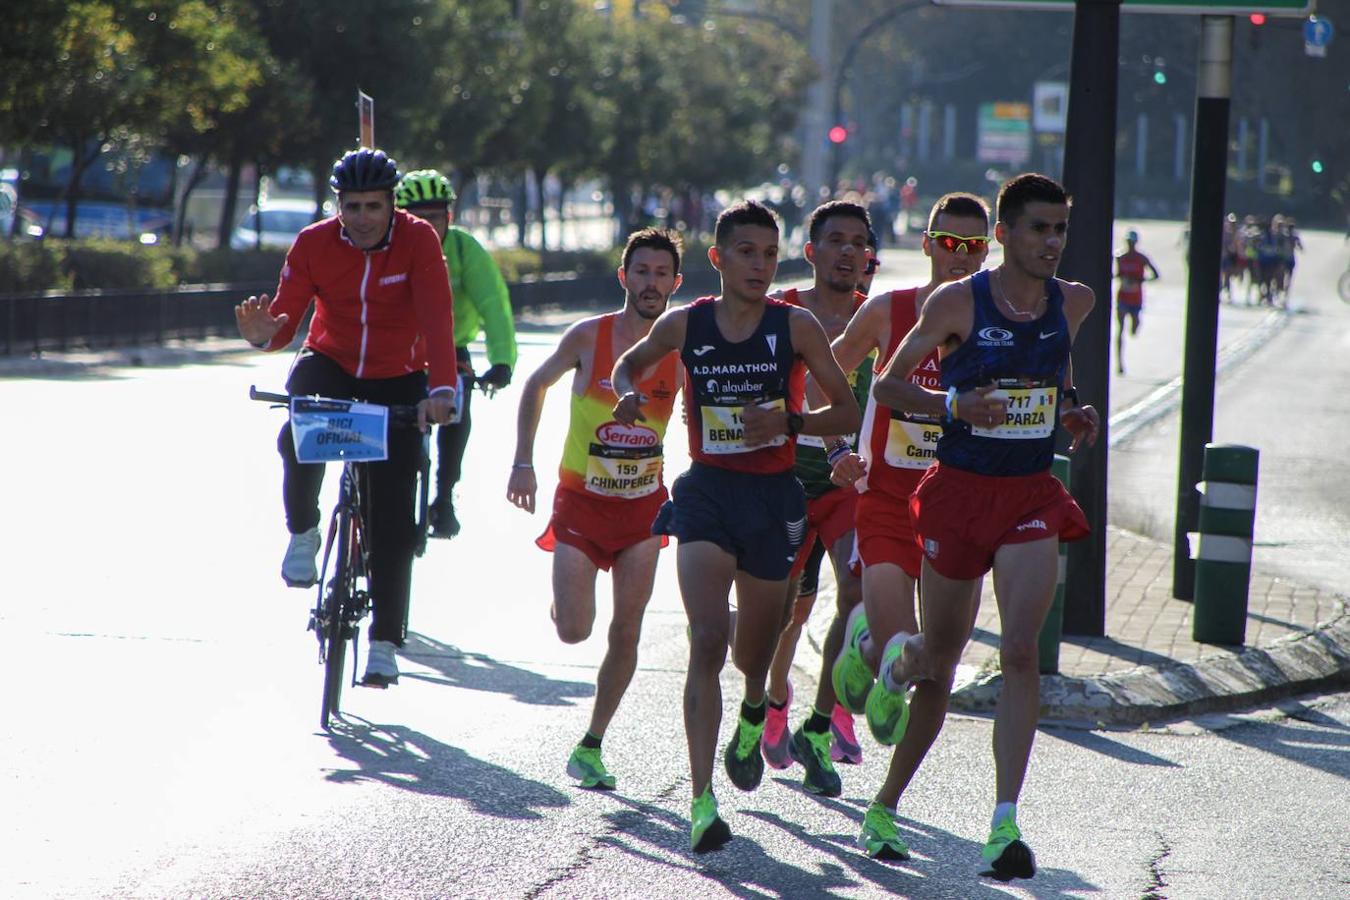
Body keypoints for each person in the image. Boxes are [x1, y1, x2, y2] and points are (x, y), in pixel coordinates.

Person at [862, 173, 1100, 881]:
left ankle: (1004, 824)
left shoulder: (1075, 302)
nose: (1052, 243)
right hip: (960, 496)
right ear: (1004, 233)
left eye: (1060, 229)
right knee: (938, 663)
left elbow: (1057, 377)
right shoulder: (957, 301)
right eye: (1038, 228)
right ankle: (885, 788)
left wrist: (1071, 411)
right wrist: (954, 407)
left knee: (1022, 651)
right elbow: (887, 385)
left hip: (1028, 493)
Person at [610, 200, 860, 853]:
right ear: (718, 259)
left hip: (773, 499)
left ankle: (755, 710)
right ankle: (701, 802)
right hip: (708, 494)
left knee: (755, 652)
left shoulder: (796, 326)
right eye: (746, 252)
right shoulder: (690, 324)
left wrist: (791, 424)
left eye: (769, 254)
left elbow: (848, 407)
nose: (759, 264)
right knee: (707, 638)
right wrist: (626, 391)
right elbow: (625, 364)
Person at [234, 148, 457, 686]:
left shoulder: (418, 240)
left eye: (373, 207)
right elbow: (286, 320)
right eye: (351, 206)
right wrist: (265, 335)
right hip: (330, 361)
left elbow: (437, 319)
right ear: (337, 205)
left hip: (397, 374)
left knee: (394, 519)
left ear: (391, 205)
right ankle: (304, 530)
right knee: (298, 424)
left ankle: (384, 640)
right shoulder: (314, 242)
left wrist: (443, 390)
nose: (361, 218)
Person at [823, 192, 993, 860]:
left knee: (940, 669)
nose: (961, 257)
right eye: (949, 243)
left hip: (961, 510)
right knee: (899, 649)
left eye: (975, 247)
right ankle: (867, 645)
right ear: (927, 243)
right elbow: (821, 376)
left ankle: (885, 807)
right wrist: (837, 449)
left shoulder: (997, 323)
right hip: (888, 504)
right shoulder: (889, 312)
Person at [505, 229, 685, 790]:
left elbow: (708, 417)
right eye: (642, 271)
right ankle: (563, 604)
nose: (651, 282)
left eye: (661, 274)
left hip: (642, 513)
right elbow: (536, 384)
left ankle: (592, 742)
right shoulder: (589, 337)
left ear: (675, 283)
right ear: (624, 277)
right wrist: (522, 463)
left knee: (626, 630)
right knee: (575, 632)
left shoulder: (682, 352)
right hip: (581, 505)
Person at [758, 201, 874, 798]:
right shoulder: (782, 314)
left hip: (848, 487)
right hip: (785, 484)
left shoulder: (875, 317)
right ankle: (775, 699)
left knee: (856, 596)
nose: (847, 251)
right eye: (835, 240)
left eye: (858, 241)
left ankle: (819, 725)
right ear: (812, 252)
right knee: (787, 613)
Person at [394, 169, 517, 539]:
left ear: (449, 217)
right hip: (398, 351)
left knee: (457, 413)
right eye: (418, 216)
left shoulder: (465, 250)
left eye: (436, 216)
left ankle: (444, 495)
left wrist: (502, 361)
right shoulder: (391, 249)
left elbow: (494, 305)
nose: (428, 224)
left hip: (452, 348)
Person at [1113, 229, 1160, 375]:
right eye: (1128, 242)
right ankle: (1119, 363)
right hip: (1122, 298)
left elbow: (1156, 275)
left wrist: (1141, 280)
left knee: (1134, 329)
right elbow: (1118, 274)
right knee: (1120, 330)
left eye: (1132, 242)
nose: (1130, 245)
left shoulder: (1142, 258)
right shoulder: (1120, 257)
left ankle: (1135, 325)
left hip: (1136, 299)